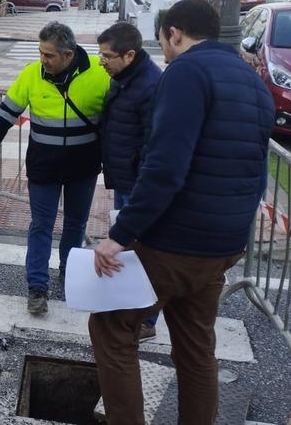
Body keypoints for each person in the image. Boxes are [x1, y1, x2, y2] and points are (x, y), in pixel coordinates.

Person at [90, 0, 274, 424]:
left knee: (113, 329)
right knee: (195, 347)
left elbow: (166, 167)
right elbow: (256, 171)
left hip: (176, 241)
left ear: (174, 32)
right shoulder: (252, 81)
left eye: (163, 42)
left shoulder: (186, 72)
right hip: (224, 242)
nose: (164, 52)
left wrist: (120, 235)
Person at [0, 21, 110, 315]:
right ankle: (37, 288)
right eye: (40, 52)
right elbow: (5, 113)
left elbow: (121, 115)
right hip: (43, 167)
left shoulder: (99, 73)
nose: (42, 60)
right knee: (41, 226)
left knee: (75, 224)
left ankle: (69, 272)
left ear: (68, 55)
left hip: (83, 168)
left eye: (48, 55)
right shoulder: (32, 75)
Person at [96, 22, 163, 342]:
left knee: (142, 252)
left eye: (107, 57)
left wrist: (138, 179)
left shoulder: (149, 86)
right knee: (128, 249)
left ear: (130, 55)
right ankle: (129, 307)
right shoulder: (123, 78)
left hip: (138, 184)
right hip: (125, 178)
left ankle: (146, 319)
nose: (102, 62)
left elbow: (154, 144)